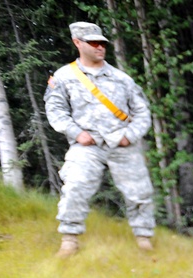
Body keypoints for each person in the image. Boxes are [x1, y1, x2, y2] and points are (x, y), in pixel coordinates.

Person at [45, 22, 156, 258]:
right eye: (93, 43)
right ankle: (69, 240)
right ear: (77, 43)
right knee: (74, 186)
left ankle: (144, 238)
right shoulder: (64, 77)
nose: (100, 47)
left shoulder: (122, 79)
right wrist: (76, 133)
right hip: (87, 145)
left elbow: (143, 112)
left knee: (140, 192)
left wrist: (130, 135)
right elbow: (55, 111)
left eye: (102, 43)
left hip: (121, 142)